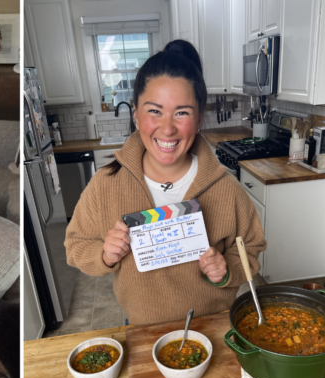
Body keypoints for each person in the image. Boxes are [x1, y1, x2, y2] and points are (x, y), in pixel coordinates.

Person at [64, 39, 265, 325]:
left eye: (182, 112)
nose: (168, 128)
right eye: (154, 111)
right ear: (136, 114)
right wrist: (105, 255)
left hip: (212, 330)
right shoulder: (105, 185)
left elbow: (252, 248)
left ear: (198, 120)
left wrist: (227, 269)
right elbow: (75, 245)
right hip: (141, 330)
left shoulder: (226, 189)